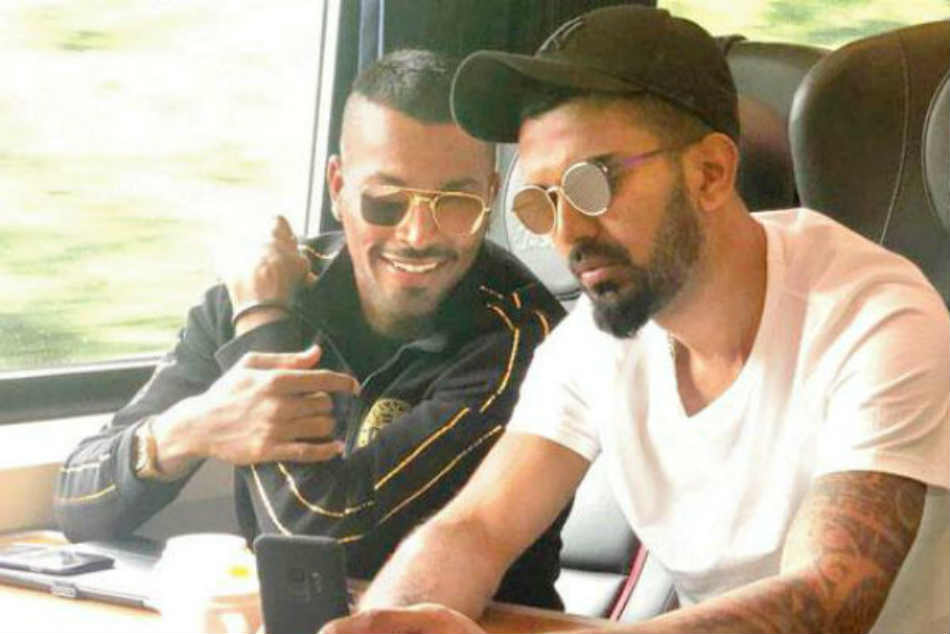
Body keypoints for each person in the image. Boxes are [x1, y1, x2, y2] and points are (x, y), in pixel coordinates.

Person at [322, 7, 950, 634]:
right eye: (542, 200)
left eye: (592, 184)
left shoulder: (875, 320)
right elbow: (476, 529)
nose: (565, 232)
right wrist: (385, 622)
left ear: (710, 173)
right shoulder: (594, 342)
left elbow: (829, 597)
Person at [53, 49, 569, 609]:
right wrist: (193, 427)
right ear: (338, 187)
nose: (419, 234)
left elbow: (326, 539)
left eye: (455, 203)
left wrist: (261, 323)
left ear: (490, 196)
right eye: (386, 202)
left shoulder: (525, 340)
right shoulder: (266, 283)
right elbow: (78, 504)